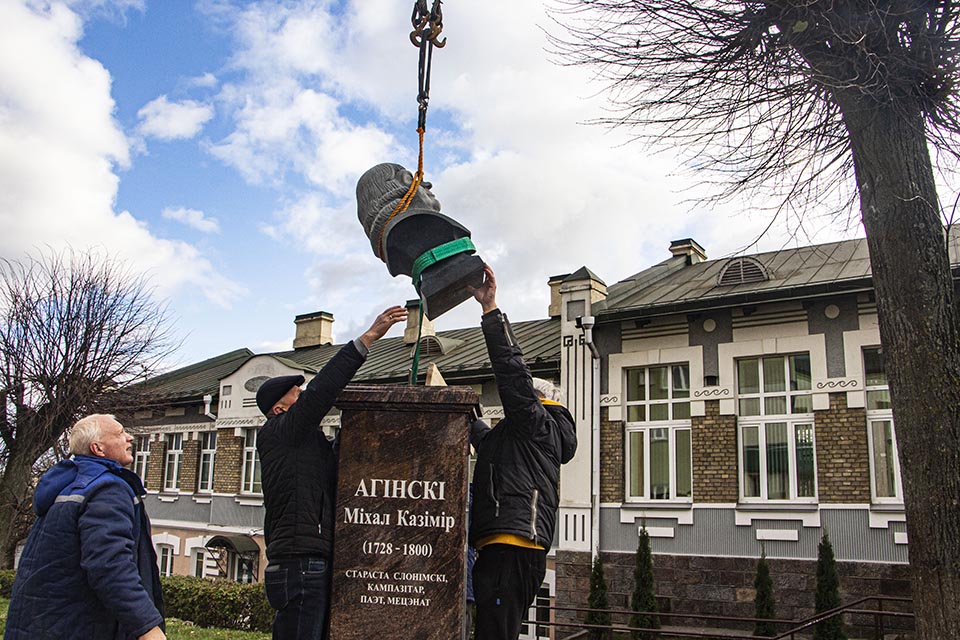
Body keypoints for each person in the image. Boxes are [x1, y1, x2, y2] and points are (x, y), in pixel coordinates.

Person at [256, 305, 408, 640]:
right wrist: (367, 339)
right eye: (297, 396)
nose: (305, 398)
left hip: (307, 562)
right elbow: (322, 391)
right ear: (279, 409)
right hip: (300, 565)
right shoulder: (280, 430)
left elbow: (336, 468)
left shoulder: (302, 443)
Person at [467, 264, 578, 640]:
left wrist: (491, 311)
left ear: (537, 401)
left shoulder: (536, 424)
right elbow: (485, 441)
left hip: (511, 548)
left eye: (526, 396)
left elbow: (512, 373)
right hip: (508, 547)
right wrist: (459, 409)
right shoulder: (524, 438)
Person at [5, 414, 165, 640]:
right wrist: (148, 628)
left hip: (44, 624)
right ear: (98, 448)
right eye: (120, 433)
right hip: (81, 626)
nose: (129, 438)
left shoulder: (67, 484)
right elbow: (110, 565)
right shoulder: (106, 490)